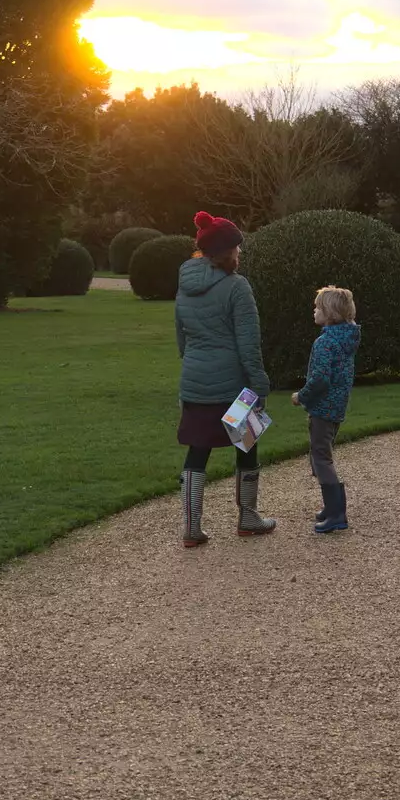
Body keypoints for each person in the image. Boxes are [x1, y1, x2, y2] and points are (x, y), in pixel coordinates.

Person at [175, 210, 277, 547]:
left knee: (197, 450)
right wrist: (260, 384)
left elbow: (181, 338)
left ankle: (192, 528)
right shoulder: (237, 287)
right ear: (227, 252)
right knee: (246, 445)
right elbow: (249, 343)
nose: (240, 253)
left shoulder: (184, 286)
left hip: (195, 380)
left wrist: (194, 366)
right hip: (236, 386)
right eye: (237, 247)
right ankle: (248, 517)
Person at [290, 286, 360, 533]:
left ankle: (336, 512)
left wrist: (302, 396)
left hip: (323, 408)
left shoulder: (325, 342)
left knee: (321, 457)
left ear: (329, 313)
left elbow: (320, 379)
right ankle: (332, 508)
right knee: (323, 453)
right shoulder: (345, 339)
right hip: (338, 406)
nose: (314, 310)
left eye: (318, 307)